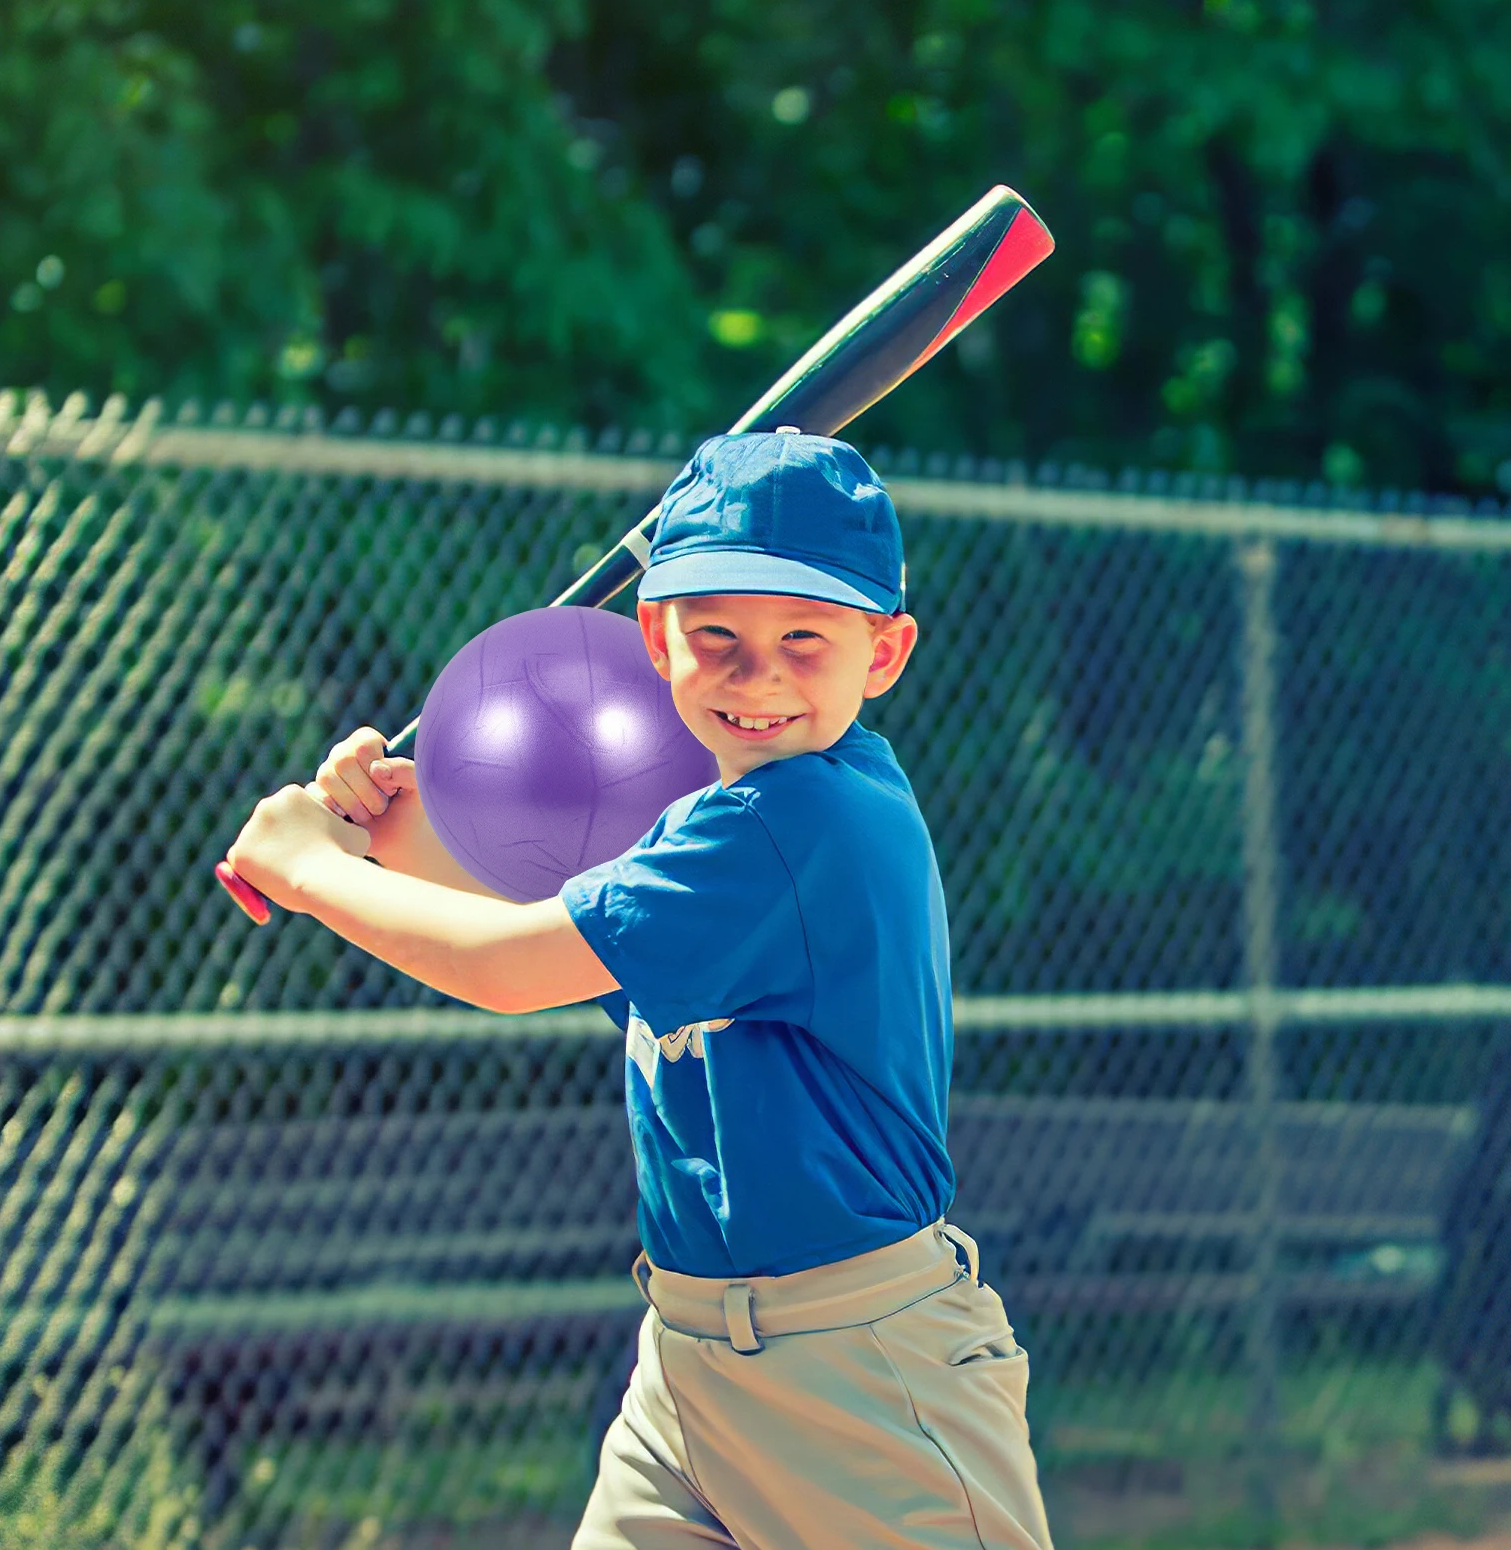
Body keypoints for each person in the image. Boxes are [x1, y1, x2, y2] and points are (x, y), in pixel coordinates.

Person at [225, 430, 1054, 1550]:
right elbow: (547, 927)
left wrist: (310, 869)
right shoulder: (715, 819)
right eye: (717, 637)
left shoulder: (801, 820)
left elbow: (507, 966)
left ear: (885, 651)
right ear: (655, 638)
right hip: (689, 1363)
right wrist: (381, 833)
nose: (758, 674)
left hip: (857, 1377)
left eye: (803, 638)